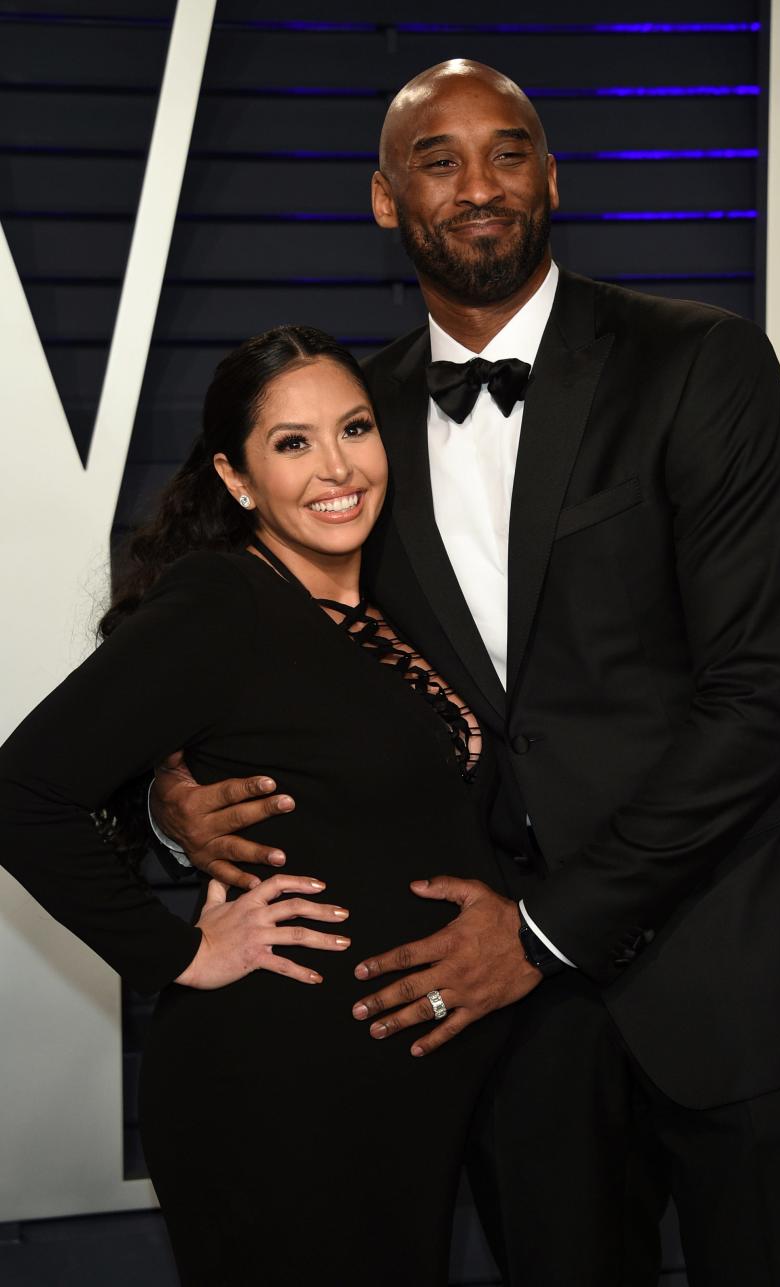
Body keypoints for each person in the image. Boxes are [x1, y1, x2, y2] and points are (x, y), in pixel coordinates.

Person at [151, 62, 780, 1286]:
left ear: (553, 176)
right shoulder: (348, 428)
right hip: (502, 1007)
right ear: (386, 200)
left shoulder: (704, 364)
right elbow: (252, 658)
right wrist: (178, 800)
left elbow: (761, 698)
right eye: (438, 159)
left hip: (733, 958)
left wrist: (544, 930)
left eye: (509, 151)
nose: (478, 184)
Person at [0, 325, 518, 1287]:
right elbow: (23, 791)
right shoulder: (221, 604)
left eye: (354, 429)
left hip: (402, 1094)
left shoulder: (387, 604)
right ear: (238, 480)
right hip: (281, 1093)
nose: (337, 466)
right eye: (293, 442)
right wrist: (180, 951)